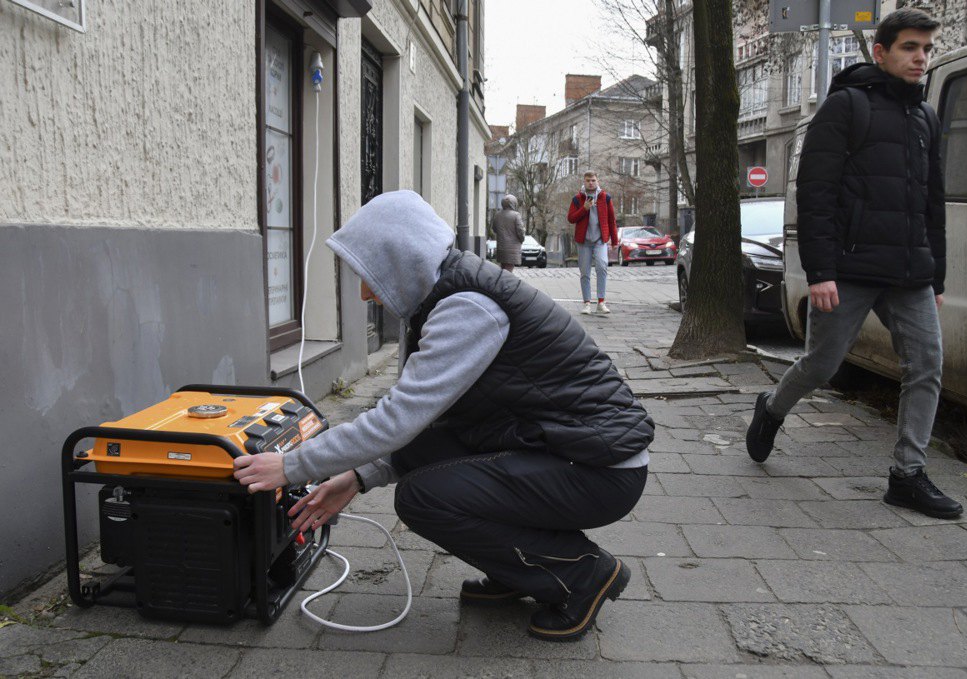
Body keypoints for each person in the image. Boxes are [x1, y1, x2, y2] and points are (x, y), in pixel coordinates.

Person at [233, 190, 654, 641]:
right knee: (435, 461)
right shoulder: (445, 296)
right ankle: (522, 573)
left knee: (424, 497)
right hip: (567, 451)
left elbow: (399, 418)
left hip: (598, 469)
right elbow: (432, 424)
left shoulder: (466, 308)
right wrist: (356, 477)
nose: (364, 291)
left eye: (370, 274)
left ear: (402, 260)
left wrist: (293, 465)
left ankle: (583, 574)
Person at [745, 8, 961, 519]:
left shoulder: (925, 116)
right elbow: (816, 194)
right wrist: (820, 272)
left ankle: (907, 474)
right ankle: (772, 409)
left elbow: (931, 202)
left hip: (909, 272)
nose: (921, 58)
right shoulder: (846, 107)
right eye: (911, 48)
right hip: (850, 267)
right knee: (822, 364)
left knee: (928, 366)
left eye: (927, 50)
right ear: (882, 52)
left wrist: (938, 276)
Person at [567, 171, 618, 315]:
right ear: (584, 181)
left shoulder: (605, 198)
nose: (591, 183)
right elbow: (571, 218)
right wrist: (584, 209)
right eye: (588, 180)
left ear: (597, 181)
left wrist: (614, 240)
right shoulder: (577, 199)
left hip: (600, 240)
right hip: (584, 241)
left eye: (593, 180)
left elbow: (612, 220)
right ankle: (587, 303)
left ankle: (601, 302)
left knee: (602, 267)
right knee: (585, 272)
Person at [491, 194, 525, 272]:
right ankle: (505, 284)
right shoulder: (516, 215)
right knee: (509, 271)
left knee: (503, 269)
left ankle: (501, 283)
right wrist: (522, 239)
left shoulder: (497, 215)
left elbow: (494, 229)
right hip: (512, 249)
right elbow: (520, 231)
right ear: (514, 203)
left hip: (501, 248)